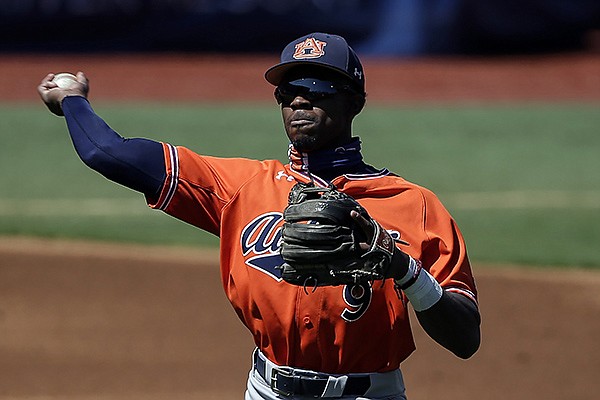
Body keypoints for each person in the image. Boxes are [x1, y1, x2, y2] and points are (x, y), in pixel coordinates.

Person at [38, 32, 480, 400]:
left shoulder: (414, 205)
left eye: (318, 87)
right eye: (288, 91)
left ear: (355, 102)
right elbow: (107, 152)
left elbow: (465, 339)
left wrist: (405, 270)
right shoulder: (241, 187)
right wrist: (74, 101)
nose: (300, 100)